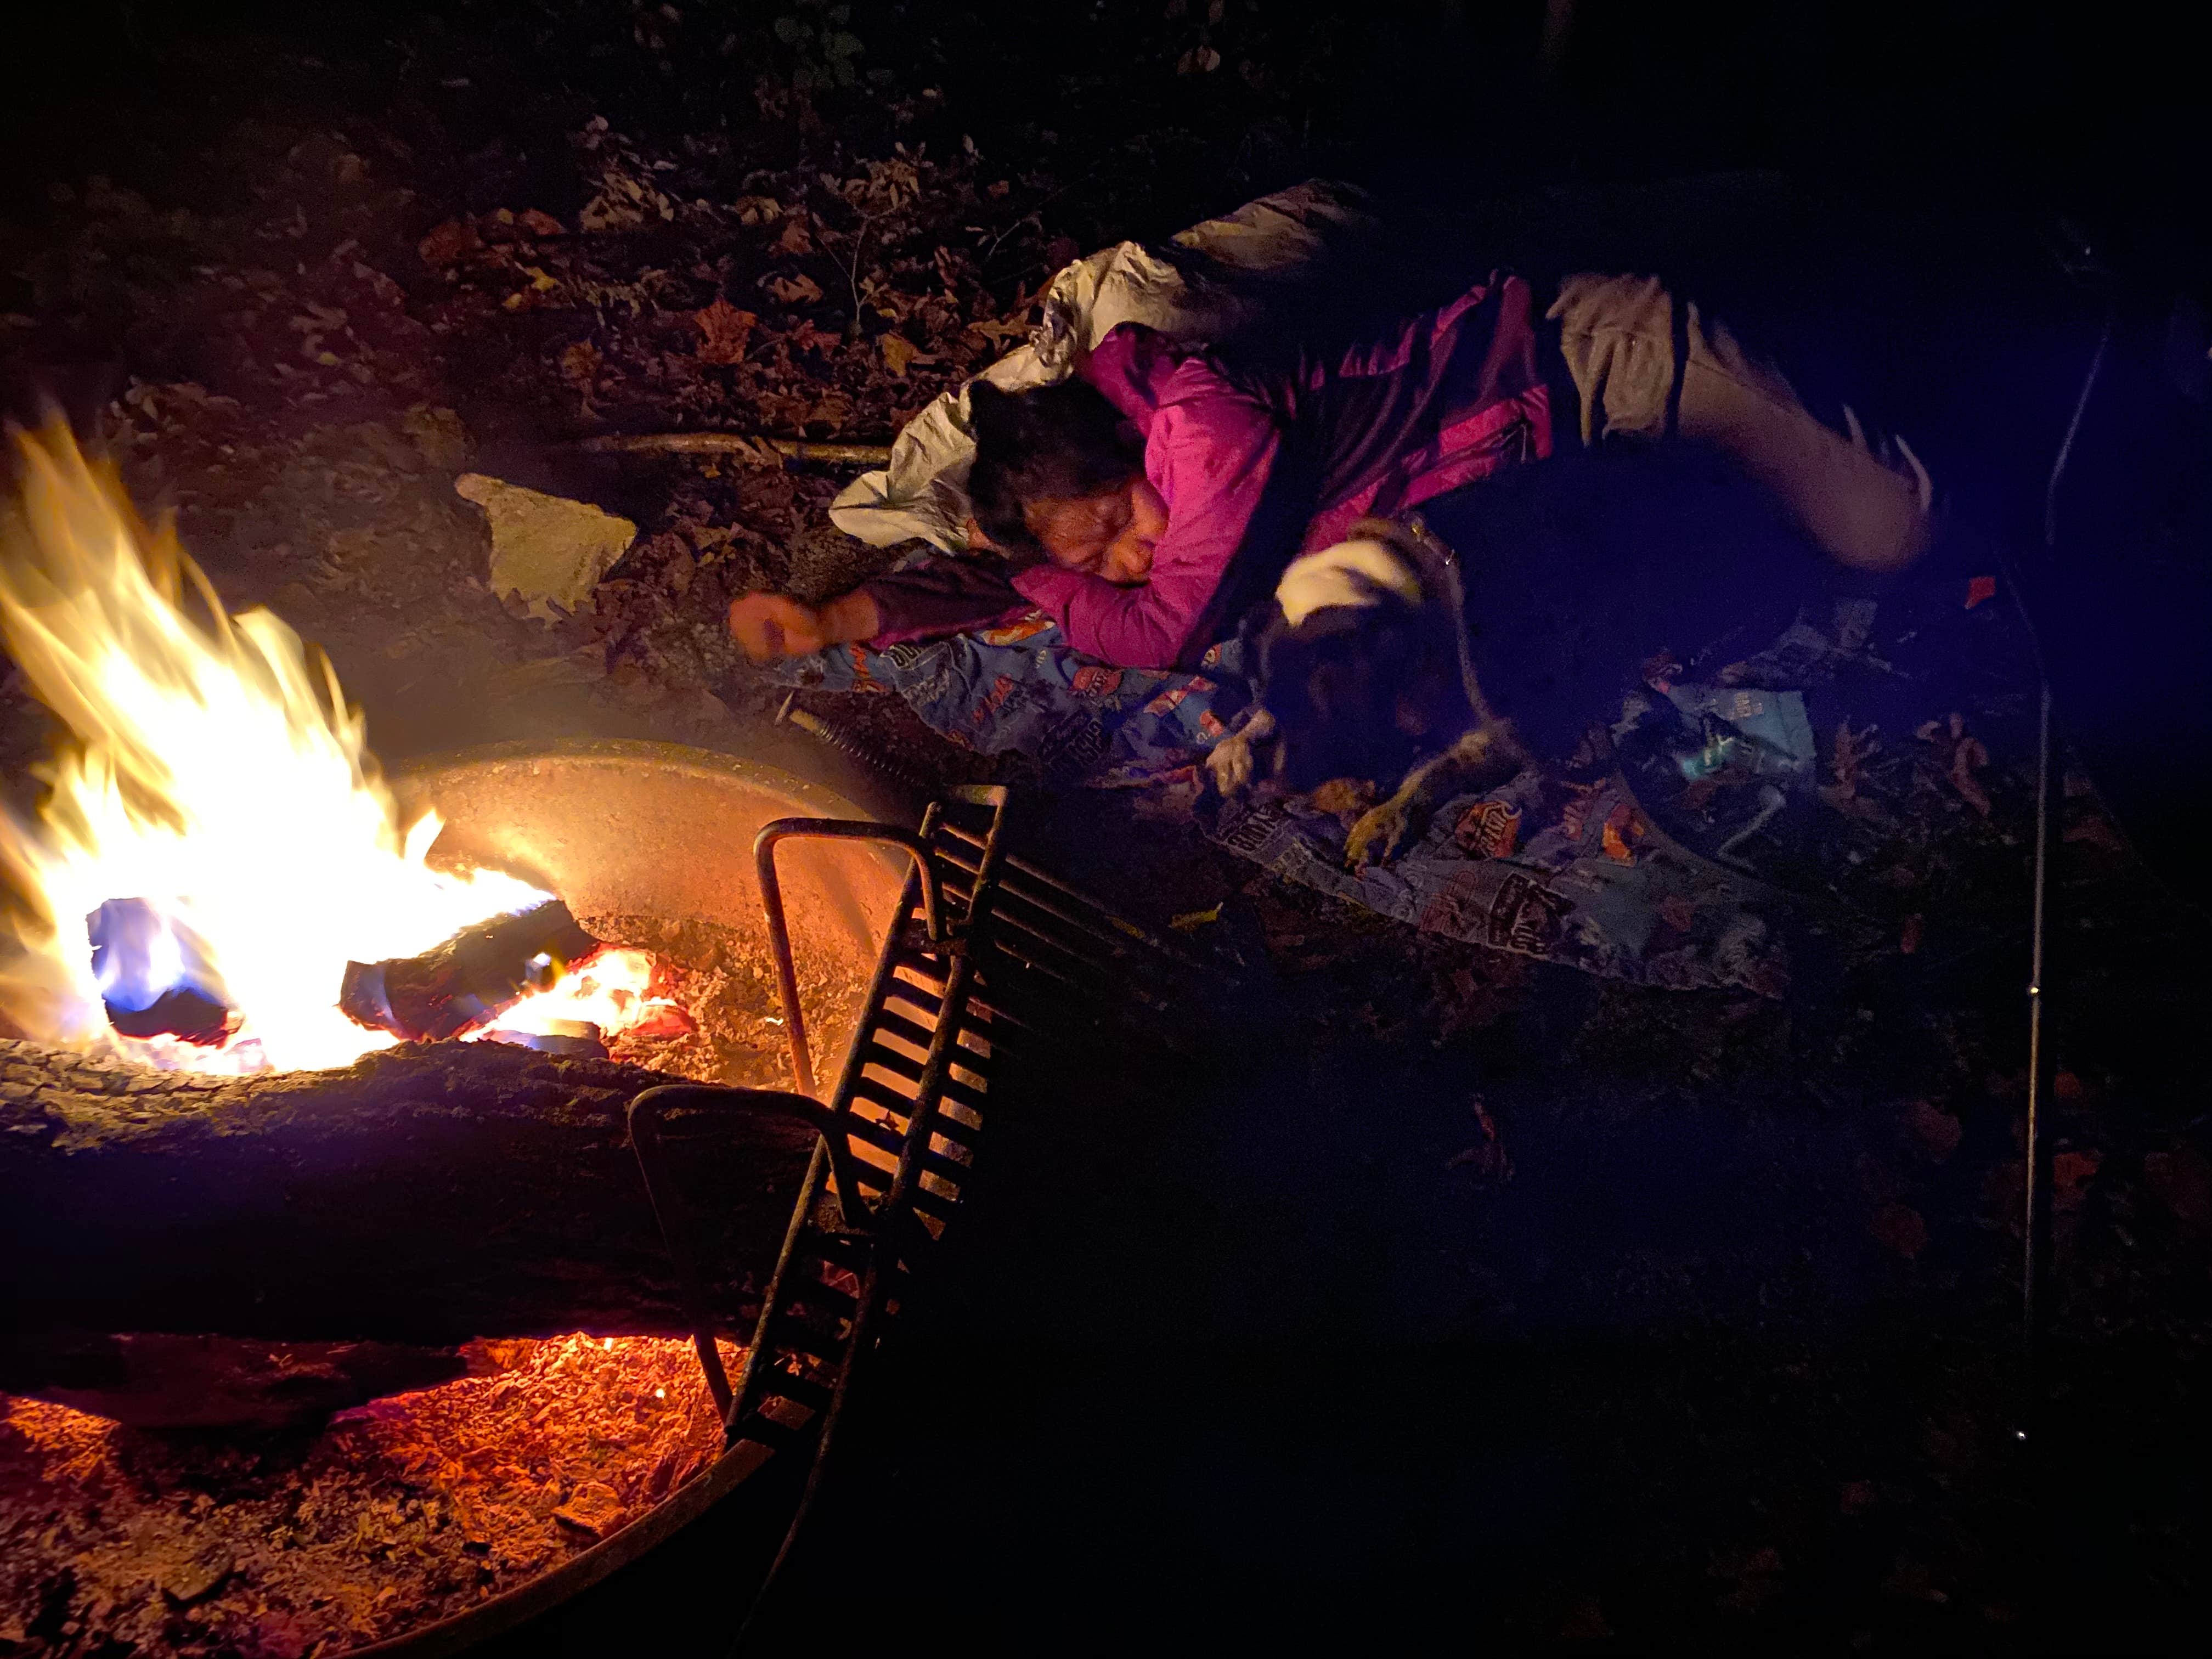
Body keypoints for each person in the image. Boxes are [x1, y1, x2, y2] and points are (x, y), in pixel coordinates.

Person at [728, 271, 1934, 672]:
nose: (1140, 558)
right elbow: (1023, 584)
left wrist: (1063, 587)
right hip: (1559, 464)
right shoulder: (1121, 492)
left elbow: (1161, 631)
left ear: (1126, 450)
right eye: (1103, 557)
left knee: (1895, 534)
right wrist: (841, 613)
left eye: (1116, 522)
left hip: (1602, 363)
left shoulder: (1203, 424)